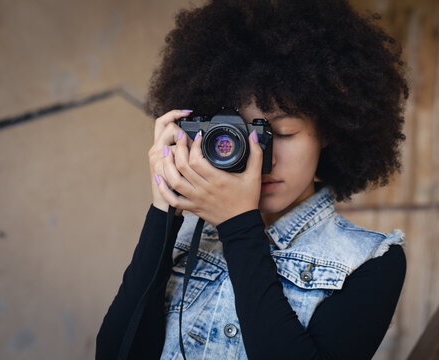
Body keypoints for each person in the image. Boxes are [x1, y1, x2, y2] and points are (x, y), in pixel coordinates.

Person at [96, 0, 408, 359]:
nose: (263, 157)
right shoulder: (186, 238)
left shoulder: (372, 261)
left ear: (329, 131)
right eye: (238, 136)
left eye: (284, 132)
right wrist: (162, 212)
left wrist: (239, 228)